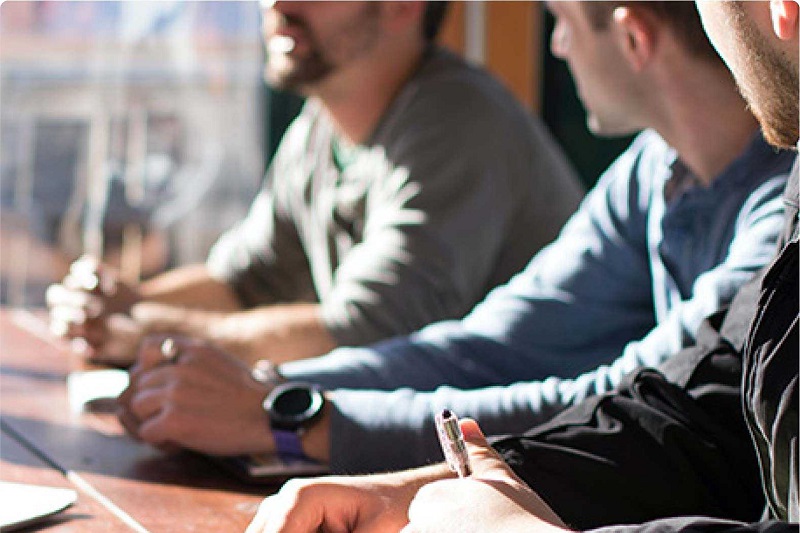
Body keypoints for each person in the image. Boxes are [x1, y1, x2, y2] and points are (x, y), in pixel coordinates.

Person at [116, 1, 794, 470]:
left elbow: (628, 404)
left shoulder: (780, 213)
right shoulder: (655, 168)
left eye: (557, 20)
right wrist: (273, 385)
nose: (555, 46)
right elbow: (494, 343)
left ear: (635, 38)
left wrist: (291, 416)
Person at [46, 1, 583, 367]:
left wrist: (146, 332)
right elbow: (243, 282)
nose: (275, 3)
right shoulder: (321, 125)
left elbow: (364, 334)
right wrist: (120, 303)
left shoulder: (458, 123)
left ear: (403, 5)